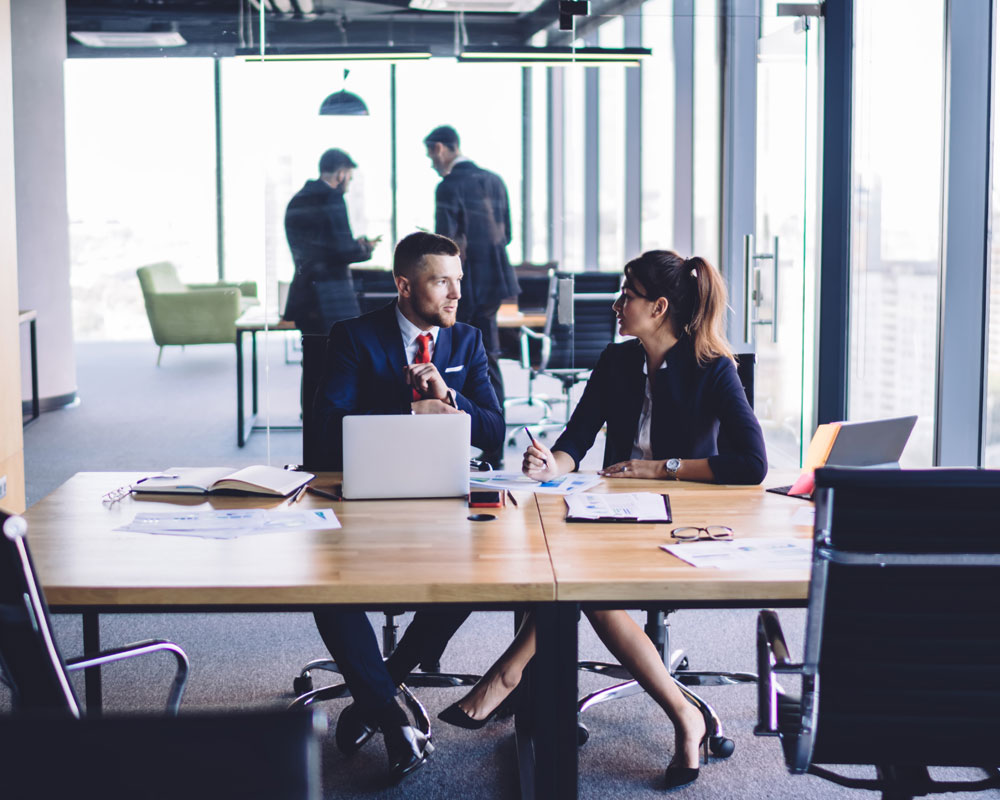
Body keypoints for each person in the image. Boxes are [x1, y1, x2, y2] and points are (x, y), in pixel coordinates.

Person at [436, 250, 767, 791]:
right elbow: (577, 439)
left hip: (680, 520)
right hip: (613, 512)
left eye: (626, 296)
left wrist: (662, 468)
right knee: (568, 568)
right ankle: (678, 713)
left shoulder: (713, 367)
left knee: (584, 584)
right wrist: (552, 464)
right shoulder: (616, 362)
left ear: (659, 307)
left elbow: (752, 464)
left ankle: (510, 675)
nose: (616, 305)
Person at [311, 231, 504, 783]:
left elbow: (493, 435)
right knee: (330, 588)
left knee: (478, 575)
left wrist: (449, 396)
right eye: (442, 281)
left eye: (458, 282)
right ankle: (393, 719)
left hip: (446, 501)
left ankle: (378, 690)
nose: (455, 295)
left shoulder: (466, 341)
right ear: (403, 285)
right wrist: (409, 406)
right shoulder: (353, 337)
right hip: (365, 501)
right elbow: (325, 434)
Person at [424, 125, 519, 467]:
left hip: (461, 284)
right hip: (494, 280)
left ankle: (452, 444)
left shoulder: (447, 186)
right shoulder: (494, 180)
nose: (432, 164)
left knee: (450, 358)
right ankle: (492, 445)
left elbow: (443, 248)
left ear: (440, 149)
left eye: (430, 156)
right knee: (487, 359)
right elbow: (506, 234)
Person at [283, 148, 380, 334]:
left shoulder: (297, 199)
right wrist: (365, 248)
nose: (349, 184)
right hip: (333, 298)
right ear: (341, 174)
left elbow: (322, 246)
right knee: (339, 356)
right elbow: (344, 250)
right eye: (349, 178)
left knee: (313, 355)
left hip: (304, 294)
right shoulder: (333, 198)